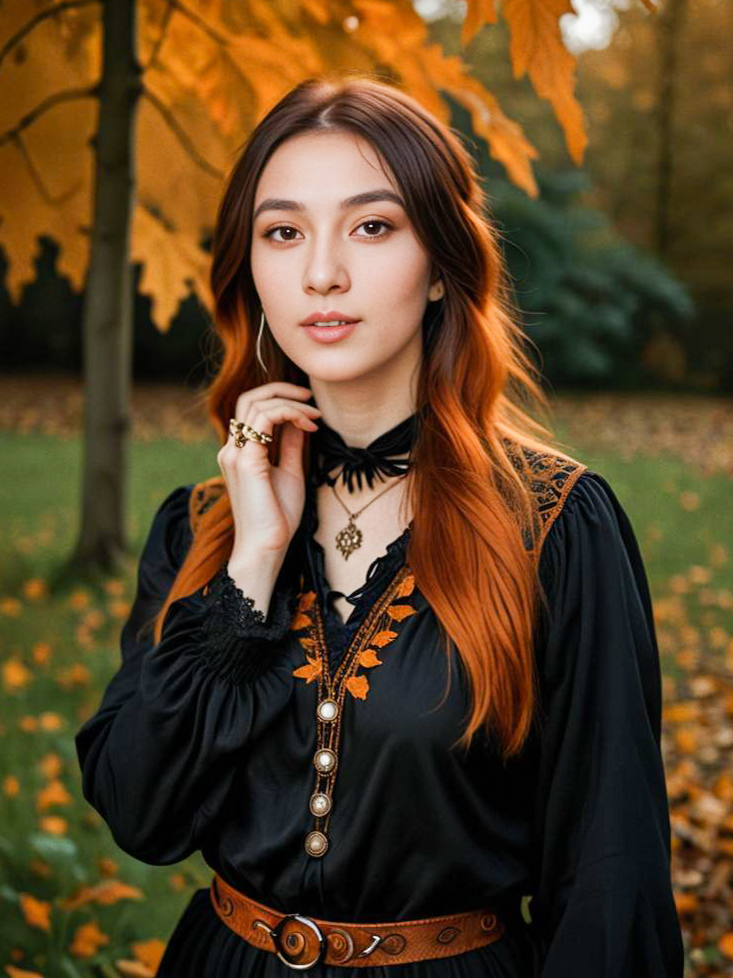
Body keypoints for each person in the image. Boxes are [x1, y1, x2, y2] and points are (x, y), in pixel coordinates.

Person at [74, 75, 685, 976]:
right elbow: (140, 811)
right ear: (251, 269)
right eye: (283, 233)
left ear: (440, 264)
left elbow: (609, 872)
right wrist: (253, 561)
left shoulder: (556, 526)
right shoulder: (202, 526)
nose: (321, 271)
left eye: (371, 225)